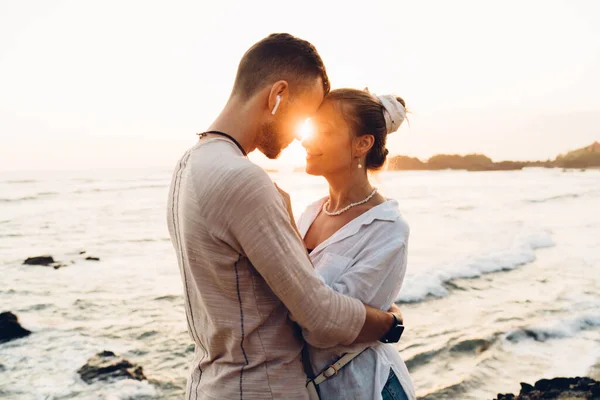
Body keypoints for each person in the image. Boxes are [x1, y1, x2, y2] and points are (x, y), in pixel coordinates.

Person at [166, 33, 404, 400]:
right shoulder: (243, 180)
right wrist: (391, 323)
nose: (299, 136)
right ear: (277, 96)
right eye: (304, 116)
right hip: (261, 387)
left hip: (209, 384)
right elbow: (320, 315)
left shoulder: (188, 165)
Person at [297, 88, 415, 400]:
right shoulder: (310, 213)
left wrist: (390, 323)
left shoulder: (387, 230)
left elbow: (323, 328)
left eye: (324, 131)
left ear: (362, 144)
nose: (306, 140)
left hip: (367, 389)